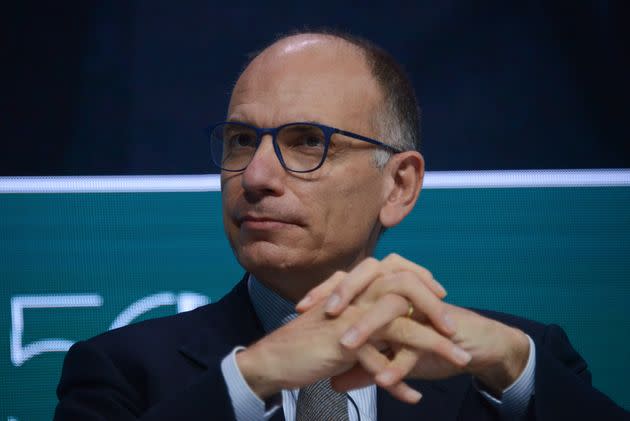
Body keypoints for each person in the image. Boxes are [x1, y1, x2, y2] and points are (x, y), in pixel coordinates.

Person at [54, 30, 628, 420]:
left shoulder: (516, 369)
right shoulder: (121, 374)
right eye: (241, 140)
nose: (255, 176)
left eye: (308, 142)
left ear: (398, 186)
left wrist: (512, 366)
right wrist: (251, 378)